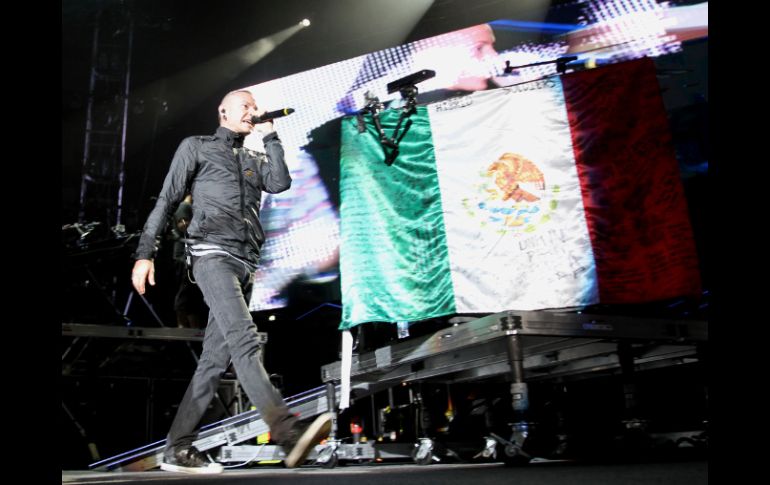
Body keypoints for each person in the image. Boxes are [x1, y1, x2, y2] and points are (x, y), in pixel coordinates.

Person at [131, 89, 332, 473]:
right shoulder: (198, 147)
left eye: (256, 107)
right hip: (211, 256)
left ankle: (177, 447)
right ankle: (287, 431)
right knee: (244, 339)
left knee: (214, 360)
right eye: (246, 106)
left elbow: (280, 183)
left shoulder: (255, 157)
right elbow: (168, 198)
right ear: (223, 111)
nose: (253, 111)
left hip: (245, 263)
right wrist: (145, 253)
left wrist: (271, 136)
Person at [169, 195, 208, 329]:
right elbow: (182, 225)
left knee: (192, 296)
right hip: (184, 259)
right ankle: (182, 327)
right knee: (185, 293)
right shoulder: (184, 207)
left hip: (191, 258)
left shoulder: (191, 207)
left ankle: (191, 329)